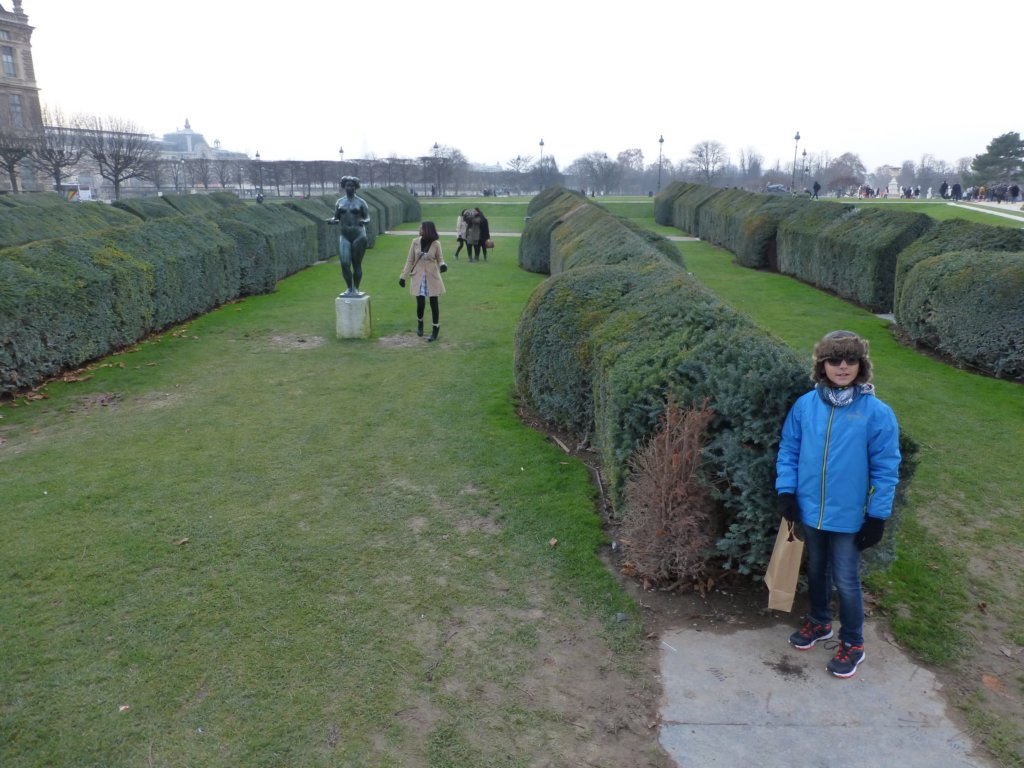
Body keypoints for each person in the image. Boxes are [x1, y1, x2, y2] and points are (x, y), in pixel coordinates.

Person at [775, 330, 901, 679]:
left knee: (846, 579)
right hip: (811, 508)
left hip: (850, 517)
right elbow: (789, 449)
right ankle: (819, 622)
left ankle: (853, 641)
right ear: (822, 365)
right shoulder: (805, 406)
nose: (842, 366)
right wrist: (787, 493)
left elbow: (887, 467)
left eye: (850, 359)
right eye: (834, 360)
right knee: (817, 569)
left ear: (861, 365)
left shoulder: (876, 413)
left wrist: (877, 516)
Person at [398, 221, 447, 342]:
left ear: (427, 230)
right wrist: (403, 276)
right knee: (420, 304)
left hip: (432, 277)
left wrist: (443, 265)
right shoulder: (415, 242)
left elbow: (440, 259)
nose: (419, 230)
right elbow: (410, 260)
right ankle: (420, 323)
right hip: (418, 277)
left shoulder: (436, 244)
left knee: (434, 303)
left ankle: (435, 330)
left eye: (421, 228)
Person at [327, 176, 371, 296]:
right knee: (345, 263)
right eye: (347, 185)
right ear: (344, 187)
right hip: (345, 236)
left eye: (352, 185)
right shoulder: (339, 202)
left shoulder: (361, 202)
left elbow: (367, 217)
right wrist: (332, 220)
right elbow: (336, 218)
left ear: (355, 187)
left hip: (359, 235)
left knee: (356, 264)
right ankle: (349, 288)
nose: (349, 187)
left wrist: (365, 221)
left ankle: (356, 288)